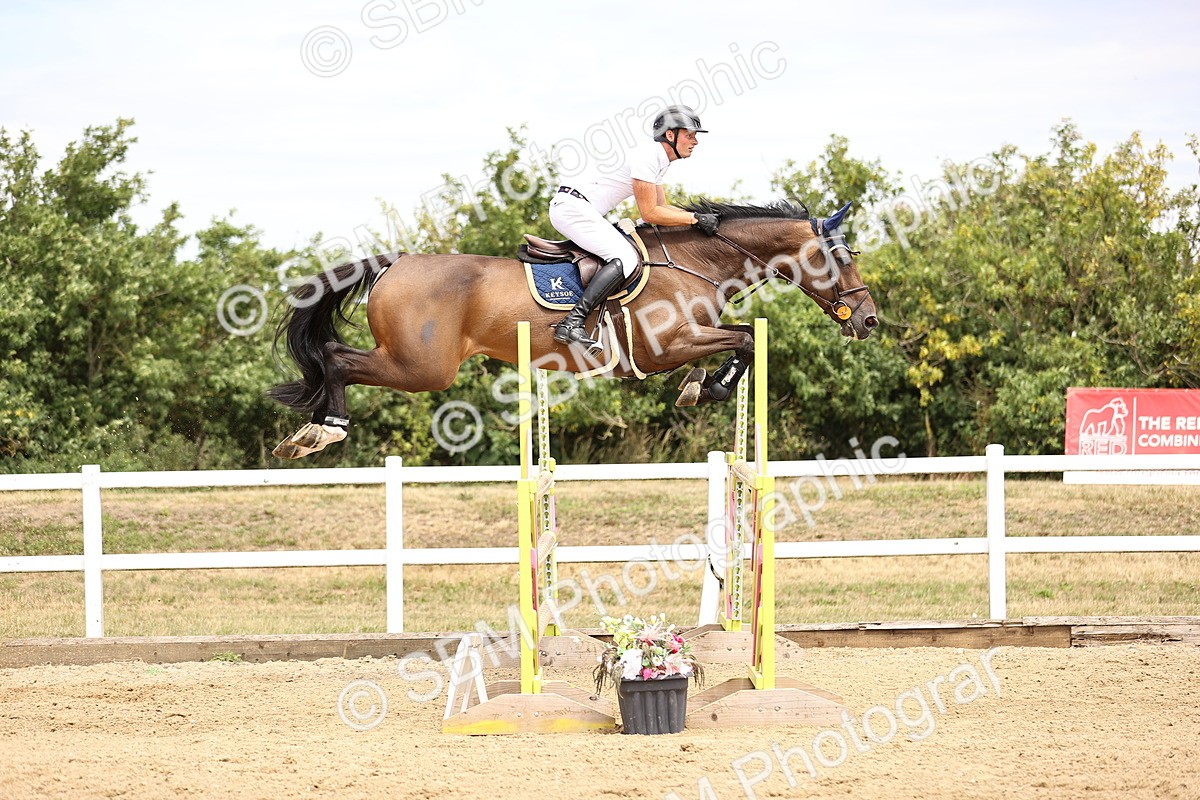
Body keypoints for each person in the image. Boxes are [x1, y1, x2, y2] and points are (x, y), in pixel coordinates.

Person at [549, 104, 720, 353]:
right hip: (572, 208)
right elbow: (650, 213)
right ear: (670, 135)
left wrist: (697, 217)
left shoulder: (659, 161)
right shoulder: (648, 156)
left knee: (625, 254)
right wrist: (694, 220)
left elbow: (662, 208)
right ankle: (572, 322)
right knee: (626, 258)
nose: (695, 142)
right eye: (690, 135)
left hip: (580, 208)